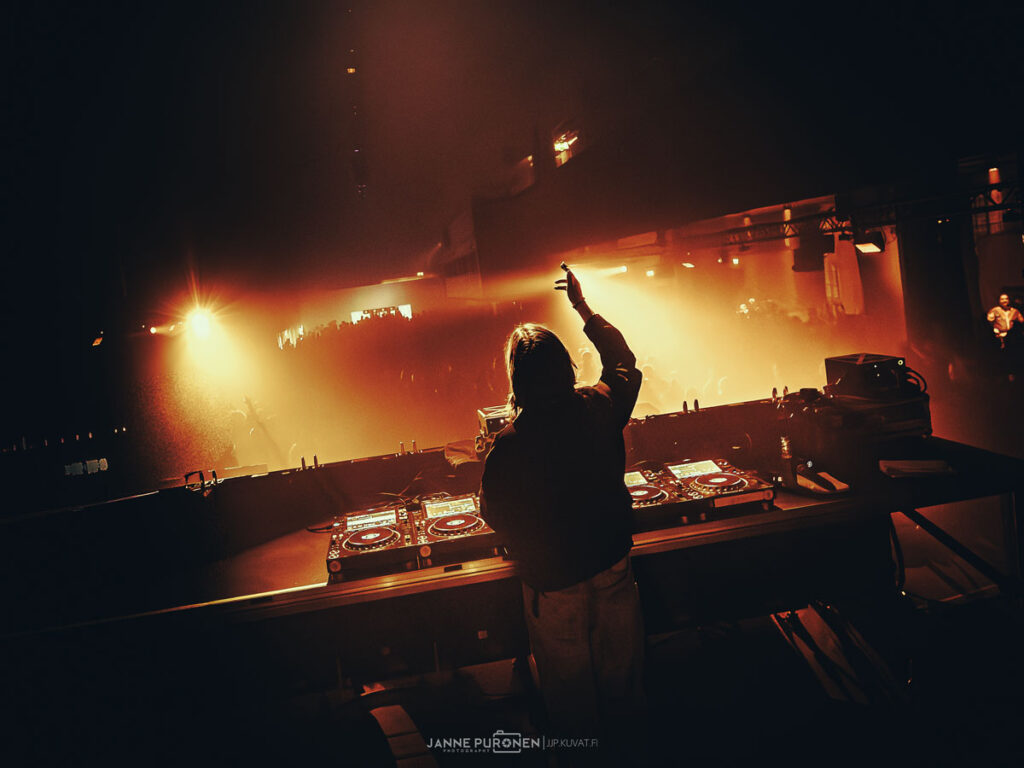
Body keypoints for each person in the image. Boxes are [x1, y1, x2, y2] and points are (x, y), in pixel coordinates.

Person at [479, 266, 645, 757]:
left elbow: (493, 513)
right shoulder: (599, 406)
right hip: (613, 569)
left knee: (573, 711)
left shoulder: (509, 445)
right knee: (625, 695)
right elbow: (623, 362)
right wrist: (582, 307)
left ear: (518, 380)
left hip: (553, 589)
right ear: (566, 367)